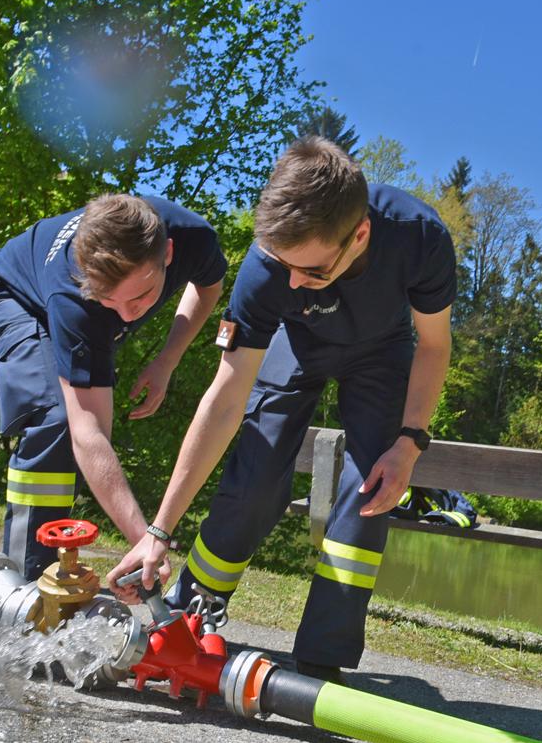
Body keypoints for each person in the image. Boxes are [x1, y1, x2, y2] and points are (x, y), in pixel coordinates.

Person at [108, 138, 456, 682]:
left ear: (359, 234)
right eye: (283, 265)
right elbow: (224, 399)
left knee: (371, 487)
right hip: (296, 340)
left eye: (312, 271)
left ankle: (323, 657)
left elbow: (434, 345)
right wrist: (159, 528)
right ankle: (191, 610)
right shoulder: (267, 269)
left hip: (383, 352)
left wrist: (409, 442)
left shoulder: (420, 237)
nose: (293, 280)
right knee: (256, 468)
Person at [0, 194, 226, 579]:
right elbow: (88, 434)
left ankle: (43, 570)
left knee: (74, 427)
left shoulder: (195, 237)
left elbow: (209, 286)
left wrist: (167, 360)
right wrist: (144, 540)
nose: (125, 315)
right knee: (57, 421)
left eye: (141, 296)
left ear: (169, 253)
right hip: (14, 295)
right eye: (109, 298)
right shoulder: (76, 301)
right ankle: (21, 582)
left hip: (76, 300)